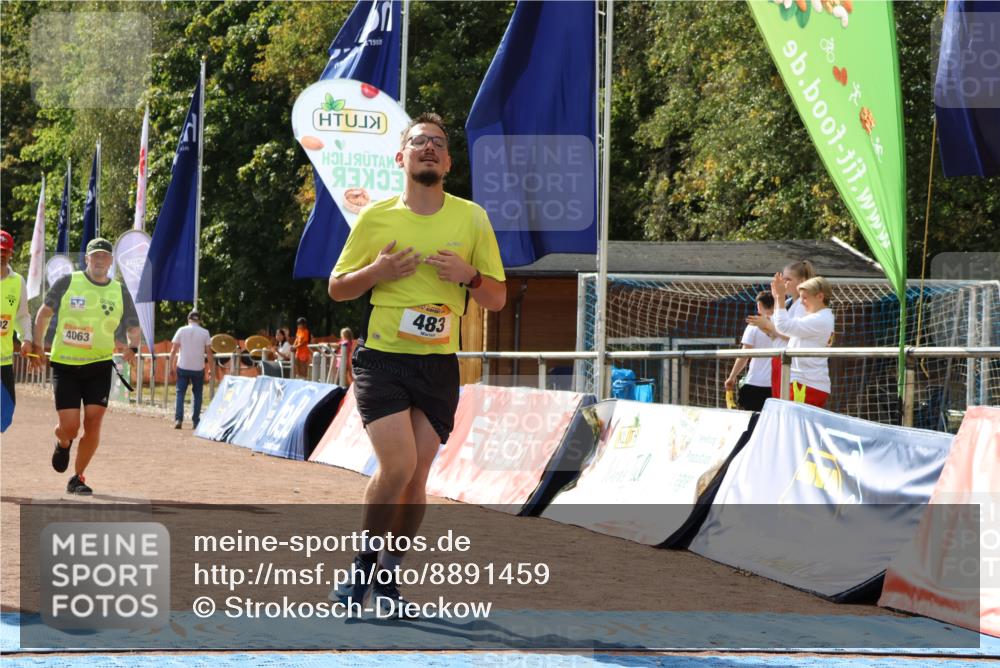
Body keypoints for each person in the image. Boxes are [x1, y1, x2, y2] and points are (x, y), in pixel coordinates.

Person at [327, 112, 506, 617]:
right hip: (383, 361)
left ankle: (387, 577)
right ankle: (361, 567)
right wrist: (377, 270)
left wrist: (470, 275)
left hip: (438, 365)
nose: (429, 147)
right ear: (400, 157)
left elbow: (496, 298)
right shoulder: (376, 218)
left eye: (438, 143)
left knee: (416, 478)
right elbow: (338, 288)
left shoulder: (472, 218)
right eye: (418, 141)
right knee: (398, 464)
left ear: (447, 163)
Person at [30, 238, 140, 495]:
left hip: (99, 366)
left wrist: (132, 347)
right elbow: (43, 315)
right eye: (95, 256)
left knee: (94, 421)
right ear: (87, 259)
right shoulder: (68, 282)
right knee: (70, 427)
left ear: (111, 261)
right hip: (66, 366)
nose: (100, 260)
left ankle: (77, 477)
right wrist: (37, 346)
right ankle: (63, 441)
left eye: (104, 256)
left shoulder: (120, 291)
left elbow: (134, 327)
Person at [747, 260, 816, 398]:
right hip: (779, 358)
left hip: (793, 363)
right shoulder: (789, 302)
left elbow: (793, 335)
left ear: (802, 281)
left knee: (788, 402)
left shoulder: (804, 304)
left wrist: (769, 326)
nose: (784, 283)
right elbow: (777, 334)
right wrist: (766, 328)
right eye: (783, 279)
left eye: (788, 279)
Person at [771, 274, 835, 408]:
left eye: (805, 298)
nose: (801, 302)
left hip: (806, 384)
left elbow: (783, 326)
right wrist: (778, 298)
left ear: (820, 296)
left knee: (793, 421)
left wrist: (780, 297)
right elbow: (784, 328)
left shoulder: (820, 319)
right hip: (808, 383)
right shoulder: (822, 316)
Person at [1, 230, 35, 419]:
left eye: (5, 251)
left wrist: (26, 339)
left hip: (4, 360)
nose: (1, 255)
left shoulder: (17, 281)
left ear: (11, 253)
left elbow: (22, 316)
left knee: (5, 413)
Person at [725, 291, 776, 412]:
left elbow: (744, 355)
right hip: (778, 384)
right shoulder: (783, 324)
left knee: (752, 420)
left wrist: (732, 377)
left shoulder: (754, 325)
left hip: (756, 382)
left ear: (759, 305)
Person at [169, 310, 214, 429]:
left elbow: (173, 350)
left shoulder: (181, 330)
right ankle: (196, 421)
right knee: (198, 395)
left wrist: (170, 367)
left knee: (180, 393)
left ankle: (178, 419)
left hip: (183, 366)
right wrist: (211, 369)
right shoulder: (205, 332)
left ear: (188, 319)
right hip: (198, 368)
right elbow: (209, 353)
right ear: (200, 320)